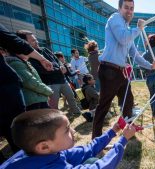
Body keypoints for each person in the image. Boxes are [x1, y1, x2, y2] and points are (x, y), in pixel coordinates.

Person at [93, 0, 155, 138]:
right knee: (104, 106)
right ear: (119, 8)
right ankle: (96, 139)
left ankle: (127, 128)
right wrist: (139, 29)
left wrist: (150, 65)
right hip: (108, 70)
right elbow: (123, 39)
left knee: (128, 101)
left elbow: (134, 54)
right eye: (126, 8)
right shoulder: (115, 18)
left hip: (120, 72)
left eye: (132, 8)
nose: (129, 11)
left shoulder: (128, 31)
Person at [0, 109, 136, 169]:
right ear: (44, 146)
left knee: (91, 158)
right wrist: (123, 139)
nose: (73, 130)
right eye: (67, 130)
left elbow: (87, 150)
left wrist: (112, 131)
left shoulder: (44, 152)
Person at [0, 23, 52, 154]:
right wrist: (48, 91)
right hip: (28, 101)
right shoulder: (15, 63)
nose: (35, 42)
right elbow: (31, 82)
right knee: (30, 133)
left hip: (37, 99)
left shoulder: (24, 62)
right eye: (32, 41)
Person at [16, 30, 82, 115]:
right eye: (32, 40)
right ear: (24, 42)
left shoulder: (45, 49)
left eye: (35, 39)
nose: (36, 41)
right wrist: (59, 69)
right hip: (51, 83)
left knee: (71, 97)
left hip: (62, 80)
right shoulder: (29, 57)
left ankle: (76, 112)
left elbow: (56, 60)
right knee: (54, 104)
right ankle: (55, 120)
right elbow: (43, 70)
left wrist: (62, 66)